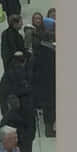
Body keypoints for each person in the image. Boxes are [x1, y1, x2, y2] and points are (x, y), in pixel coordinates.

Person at [0, 51, 36, 152]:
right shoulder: (25, 75)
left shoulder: (6, 76)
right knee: (26, 145)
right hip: (26, 115)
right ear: (23, 61)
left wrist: (5, 112)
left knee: (11, 146)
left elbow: (2, 93)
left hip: (11, 117)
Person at [31, 11, 56, 139]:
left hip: (46, 80)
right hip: (48, 80)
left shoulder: (43, 49)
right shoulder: (49, 51)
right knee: (50, 104)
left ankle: (50, 127)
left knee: (50, 104)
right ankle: (49, 129)